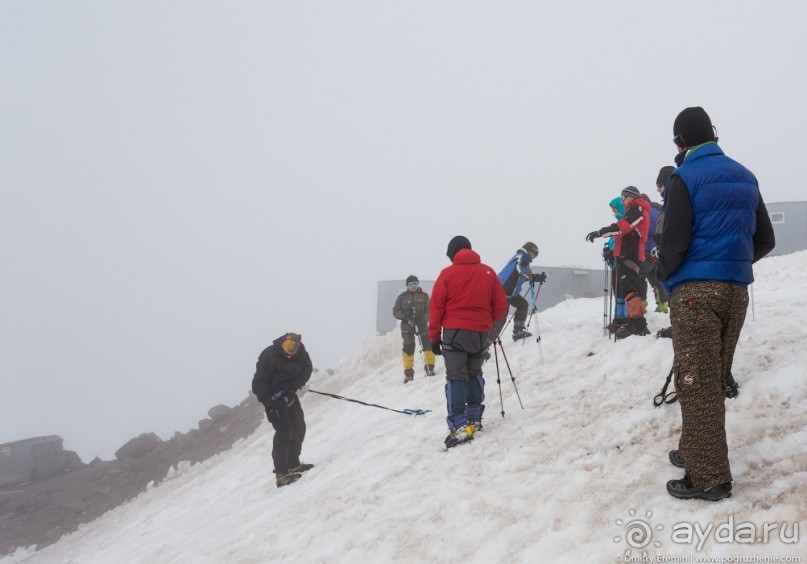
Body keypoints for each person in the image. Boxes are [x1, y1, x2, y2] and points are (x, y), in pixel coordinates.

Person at [657, 106, 775, 501]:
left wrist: (666, 278)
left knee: (696, 383)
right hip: (735, 292)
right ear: (713, 134)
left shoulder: (683, 177)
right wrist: (730, 265)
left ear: (681, 142)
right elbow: (765, 239)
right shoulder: (745, 176)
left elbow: (672, 243)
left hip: (695, 294)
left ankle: (707, 478)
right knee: (710, 376)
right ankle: (692, 451)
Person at [429, 235, 507, 448]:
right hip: (480, 333)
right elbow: (500, 306)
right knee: (474, 373)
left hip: (455, 333)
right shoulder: (488, 272)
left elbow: (436, 308)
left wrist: (434, 338)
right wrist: (486, 320)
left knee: (456, 377)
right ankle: (474, 417)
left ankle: (460, 426)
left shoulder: (447, 274)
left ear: (452, 253)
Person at [585, 186, 651, 338]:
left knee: (629, 289)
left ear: (631, 197)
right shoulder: (634, 210)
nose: (623, 200)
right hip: (625, 255)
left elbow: (623, 227)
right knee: (626, 289)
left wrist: (600, 232)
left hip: (631, 254)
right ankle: (631, 323)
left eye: (624, 197)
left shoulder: (638, 209)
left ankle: (639, 326)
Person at [251, 333, 314, 488]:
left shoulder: (301, 353)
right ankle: (281, 474)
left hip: (289, 394)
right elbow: (258, 384)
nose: (289, 354)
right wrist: (269, 403)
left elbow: (307, 368)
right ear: (282, 343)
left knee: (299, 427)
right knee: (284, 433)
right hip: (274, 400)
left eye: (293, 350)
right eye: (287, 349)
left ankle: (293, 463)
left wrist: (294, 385)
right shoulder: (269, 356)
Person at [493, 242, 546, 341]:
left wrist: (536, 277)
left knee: (522, 305)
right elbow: (522, 271)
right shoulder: (523, 257)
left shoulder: (519, 257)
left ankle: (518, 331)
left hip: (509, 291)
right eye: (535, 253)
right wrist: (535, 277)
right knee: (501, 317)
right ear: (529, 250)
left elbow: (521, 276)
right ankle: (486, 346)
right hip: (503, 291)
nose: (534, 257)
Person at [392, 275, 436, 382]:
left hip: (422, 325)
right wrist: (404, 315)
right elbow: (395, 311)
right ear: (407, 286)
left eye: (415, 284)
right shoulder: (402, 297)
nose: (413, 286)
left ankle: (430, 368)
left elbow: (429, 310)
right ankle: (408, 373)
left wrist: (422, 319)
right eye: (410, 284)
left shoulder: (424, 296)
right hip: (407, 326)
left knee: (427, 345)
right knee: (408, 347)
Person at [637, 191, 668, 313]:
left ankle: (643, 302)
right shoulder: (655, 211)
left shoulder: (649, 213)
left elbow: (649, 230)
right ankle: (662, 304)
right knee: (655, 278)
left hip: (648, 251)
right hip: (654, 251)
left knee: (640, 275)